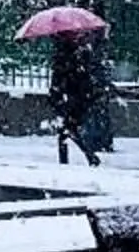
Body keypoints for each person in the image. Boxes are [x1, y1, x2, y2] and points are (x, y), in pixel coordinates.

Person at [48, 23, 115, 168]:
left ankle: (86, 156)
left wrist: (57, 92)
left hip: (69, 97)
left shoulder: (66, 53)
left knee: (67, 130)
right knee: (66, 130)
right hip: (74, 96)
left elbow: (63, 77)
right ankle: (74, 159)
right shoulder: (78, 51)